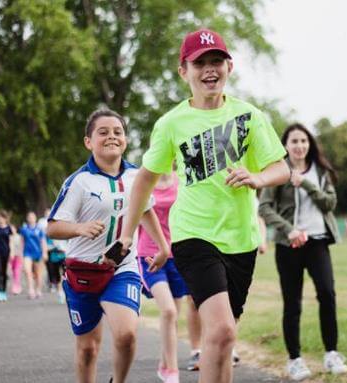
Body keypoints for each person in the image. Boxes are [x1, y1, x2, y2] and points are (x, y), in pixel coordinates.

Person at [117, 28, 290, 383]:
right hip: (194, 235)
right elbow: (143, 182)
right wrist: (125, 236)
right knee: (223, 331)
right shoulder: (171, 124)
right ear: (184, 71)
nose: (210, 69)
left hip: (240, 239)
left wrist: (258, 178)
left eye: (217, 61)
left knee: (224, 339)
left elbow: (281, 167)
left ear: (229, 66)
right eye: (200, 63)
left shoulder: (250, 116)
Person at [47, 108, 169, 383]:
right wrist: (80, 228)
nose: (111, 137)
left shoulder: (138, 176)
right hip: (83, 273)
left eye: (118, 132)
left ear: (125, 140)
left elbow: (145, 210)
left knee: (126, 334)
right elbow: (52, 227)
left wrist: (162, 247)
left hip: (121, 269)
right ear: (88, 142)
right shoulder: (78, 182)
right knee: (88, 349)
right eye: (103, 132)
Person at [258, 123, 347, 381]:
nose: (299, 146)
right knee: (292, 303)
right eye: (294, 141)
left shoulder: (321, 171)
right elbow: (264, 208)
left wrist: (306, 184)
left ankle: (331, 353)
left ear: (310, 144)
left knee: (328, 295)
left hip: (317, 242)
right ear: (285, 145)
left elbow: (330, 203)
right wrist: (289, 230)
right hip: (289, 246)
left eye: (303, 141)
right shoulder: (278, 171)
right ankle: (295, 360)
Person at [135, 170, 189, 382]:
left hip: (179, 256)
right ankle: (172, 372)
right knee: (168, 310)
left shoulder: (181, 180)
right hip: (150, 255)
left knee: (173, 315)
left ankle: (164, 363)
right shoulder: (146, 181)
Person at [20, 211, 48, 299]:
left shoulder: (39, 229)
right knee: (27, 271)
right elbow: (22, 242)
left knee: (38, 274)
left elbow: (43, 242)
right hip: (27, 253)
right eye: (29, 217)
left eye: (33, 217)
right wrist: (20, 254)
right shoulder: (24, 229)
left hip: (38, 253)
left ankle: (38, 290)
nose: (31, 218)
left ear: (35, 218)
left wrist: (45, 253)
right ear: (27, 219)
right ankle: (31, 290)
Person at [46, 236, 67, 303]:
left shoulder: (65, 234)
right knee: (57, 277)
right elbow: (46, 246)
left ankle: (63, 293)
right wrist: (54, 247)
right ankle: (60, 293)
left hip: (64, 257)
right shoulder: (50, 235)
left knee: (64, 276)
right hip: (54, 258)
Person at [9, 222, 23, 295]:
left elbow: (22, 246)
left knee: (17, 271)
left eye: (13, 228)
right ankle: (16, 285)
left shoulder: (19, 236)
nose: (12, 230)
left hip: (18, 256)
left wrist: (21, 254)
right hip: (11, 257)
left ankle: (17, 287)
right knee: (13, 272)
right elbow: (10, 246)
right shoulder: (9, 237)